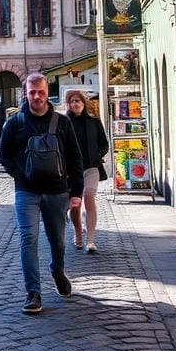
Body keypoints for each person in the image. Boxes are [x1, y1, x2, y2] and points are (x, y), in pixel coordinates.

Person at [0, 73, 83, 315]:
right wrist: (20, 174)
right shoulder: (16, 122)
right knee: (28, 239)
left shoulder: (62, 122)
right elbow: (2, 153)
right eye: (32, 92)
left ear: (47, 93)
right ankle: (33, 292)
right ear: (26, 93)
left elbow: (75, 158)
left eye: (41, 92)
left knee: (57, 241)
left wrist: (76, 192)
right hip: (27, 193)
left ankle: (57, 270)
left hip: (57, 192)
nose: (36, 96)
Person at [65, 91, 109, 254]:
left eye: (77, 101)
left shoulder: (94, 122)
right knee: (75, 205)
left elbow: (104, 144)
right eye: (71, 102)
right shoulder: (63, 122)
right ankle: (77, 231)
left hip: (91, 167)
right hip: (71, 171)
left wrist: (96, 156)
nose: (74, 104)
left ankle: (90, 240)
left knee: (89, 197)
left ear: (83, 103)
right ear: (68, 105)